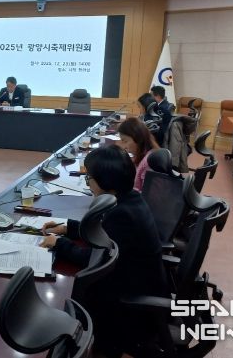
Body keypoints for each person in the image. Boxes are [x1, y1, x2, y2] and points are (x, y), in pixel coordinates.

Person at [40, 145, 168, 356]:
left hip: (131, 298)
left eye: (89, 178)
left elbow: (95, 260)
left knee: (66, 295)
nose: (88, 182)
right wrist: (67, 228)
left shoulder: (122, 215)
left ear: (106, 181)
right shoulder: (129, 199)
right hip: (138, 279)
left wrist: (59, 244)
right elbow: (101, 232)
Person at [118, 117, 159, 191]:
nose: (124, 147)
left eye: (125, 141)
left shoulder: (149, 163)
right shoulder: (144, 154)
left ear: (138, 138)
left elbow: (145, 194)